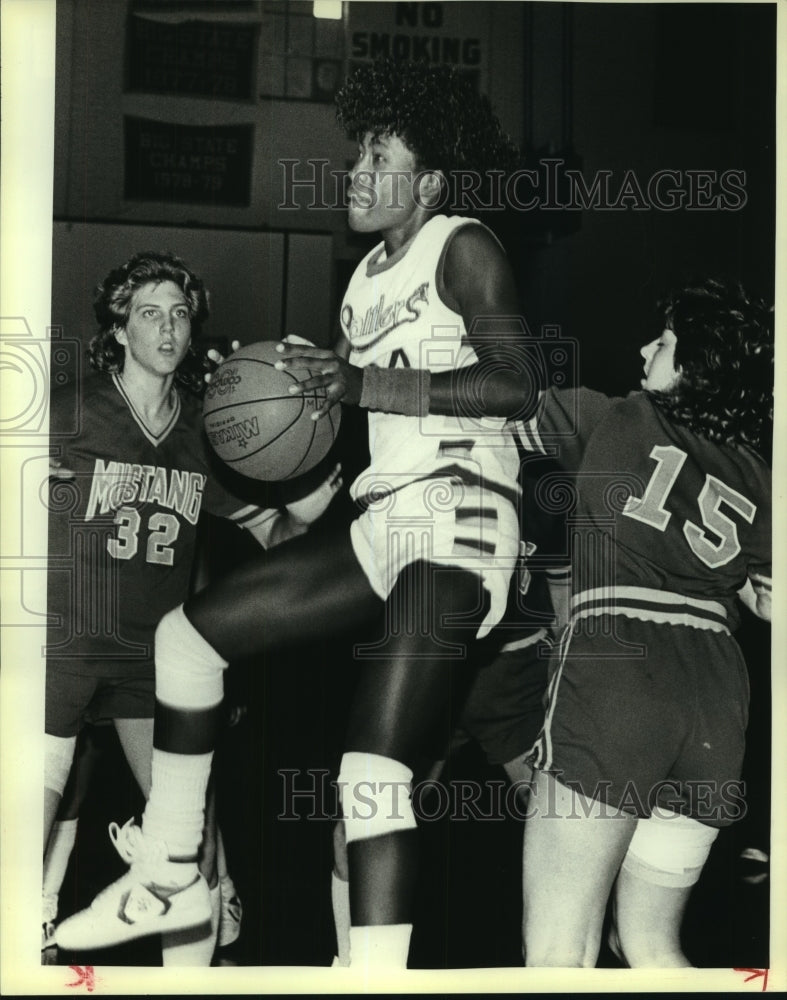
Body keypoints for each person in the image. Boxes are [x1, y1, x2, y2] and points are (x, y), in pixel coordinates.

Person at [56, 60, 541, 969]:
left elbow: (517, 383)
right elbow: (370, 429)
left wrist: (358, 381)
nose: (355, 169)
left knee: (369, 774)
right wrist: (292, 393)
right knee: (185, 640)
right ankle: (168, 869)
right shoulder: (360, 283)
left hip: (461, 515)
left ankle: (375, 979)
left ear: (428, 182)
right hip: (381, 518)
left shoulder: (463, 244)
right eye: (357, 150)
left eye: (378, 153)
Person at [45, 250, 341, 964]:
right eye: (149, 313)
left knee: (192, 844)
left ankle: (190, 980)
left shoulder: (211, 433)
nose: (168, 327)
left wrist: (317, 492)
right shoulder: (67, 410)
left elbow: (276, 536)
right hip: (63, 647)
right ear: (118, 329)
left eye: (179, 313)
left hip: (153, 661)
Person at [513, 277, 772, 967]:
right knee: (650, 947)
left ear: (691, 368)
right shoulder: (760, 475)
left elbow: (497, 404)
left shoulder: (613, 417)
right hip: (718, 700)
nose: (641, 349)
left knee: (557, 950)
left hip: (621, 668)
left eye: (661, 343)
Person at [329, 452, 572, 966]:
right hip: (434, 664)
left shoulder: (541, 475)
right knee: (360, 817)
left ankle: (576, 954)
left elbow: (564, 597)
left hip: (511, 677)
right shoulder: (428, 453)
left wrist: (560, 689)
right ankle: (350, 965)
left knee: (566, 834)